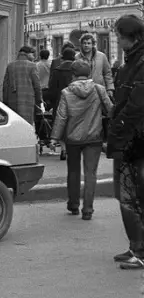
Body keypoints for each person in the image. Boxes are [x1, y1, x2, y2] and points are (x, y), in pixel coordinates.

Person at [50, 60, 113, 220]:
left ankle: (73, 204)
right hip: (94, 137)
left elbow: (62, 117)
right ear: (89, 73)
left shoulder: (66, 92)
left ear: (73, 75)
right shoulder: (99, 89)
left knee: (73, 171)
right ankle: (88, 210)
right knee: (91, 173)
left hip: (73, 138)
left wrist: (54, 138)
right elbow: (111, 110)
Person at [106, 14, 144, 270]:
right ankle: (135, 246)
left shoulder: (140, 62)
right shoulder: (133, 60)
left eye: (120, 35)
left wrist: (117, 127)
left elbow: (136, 104)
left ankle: (139, 251)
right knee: (129, 195)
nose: (118, 40)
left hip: (134, 140)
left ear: (134, 37)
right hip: (130, 138)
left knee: (130, 196)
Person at [1, 45, 42, 126]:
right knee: (27, 125)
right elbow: (37, 86)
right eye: (32, 54)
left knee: (15, 125)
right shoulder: (32, 66)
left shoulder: (10, 66)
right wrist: (39, 101)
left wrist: (5, 102)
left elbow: (5, 86)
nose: (34, 56)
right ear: (27, 54)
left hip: (12, 101)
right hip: (28, 101)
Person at [76, 33, 115, 99]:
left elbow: (107, 73)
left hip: (99, 91)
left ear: (93, 44)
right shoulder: (77, 58)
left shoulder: (102, 56)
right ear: (81, 44)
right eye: (84, 43)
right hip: (83, 92)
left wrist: (110, 88)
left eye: (88, 43)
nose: (86, 45)